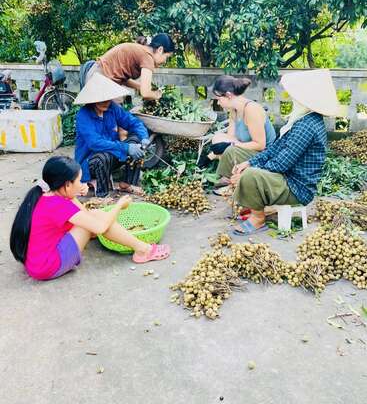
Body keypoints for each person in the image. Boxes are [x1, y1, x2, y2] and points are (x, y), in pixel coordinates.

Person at [9, 156, 171, 280]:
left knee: (96, 217)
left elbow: (83, 214)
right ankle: (144, 250)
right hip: (49, 266)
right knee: (99, 220)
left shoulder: (48, 195)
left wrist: (74, 195)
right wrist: (118, 206)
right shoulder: (59, 205)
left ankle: (141, 248)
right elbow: (99, 227)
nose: (82, 184)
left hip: (37, 263)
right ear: (66, 184)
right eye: (79, 181)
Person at [229, 69, 345, 236]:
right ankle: (256, 202)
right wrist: (250, 163)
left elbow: (280, 163)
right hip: (288, 178)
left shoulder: (307, 125)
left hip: (296, 188)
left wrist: (250, 171)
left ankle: (257, 218)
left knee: (250, 175)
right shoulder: (303, 120)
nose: (292, 98)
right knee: (248, 165)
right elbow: (275, 149)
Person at [74, 73, 150, 197]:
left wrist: (144, 138)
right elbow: (95, 143)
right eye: (101, 99)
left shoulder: (113, 108)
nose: (106, 102)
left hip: (113, 155)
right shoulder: (83, 115)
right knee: (102, 158)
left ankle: (128, 183)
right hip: (91, 162)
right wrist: (126, 148)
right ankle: (102, 195)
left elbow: (134, 123)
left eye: (107, 98)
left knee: (136, 142)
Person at [203, 75, 276, 189]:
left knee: (228, 148)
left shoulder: (252, 110)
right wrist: (210, 156)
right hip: (247, 148)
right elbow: (230, 138)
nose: (218, 103)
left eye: (218, 99)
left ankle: (231, 181)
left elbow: (260, 145)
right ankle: (231, 177)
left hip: (264, 154)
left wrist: (230, 146)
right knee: (218, 138)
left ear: (228, 95)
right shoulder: (234, 110)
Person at [81, 33, 175, 100]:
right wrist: (157, 95)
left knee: (116, 111)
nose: (165, 61)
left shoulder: (142, 51)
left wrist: (139, 86)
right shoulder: (148, 57)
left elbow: (122, 78)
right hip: (100, 80)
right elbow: (145, 93)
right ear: (160, 50)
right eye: (167, 57)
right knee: (115, 113)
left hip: (97, 76)